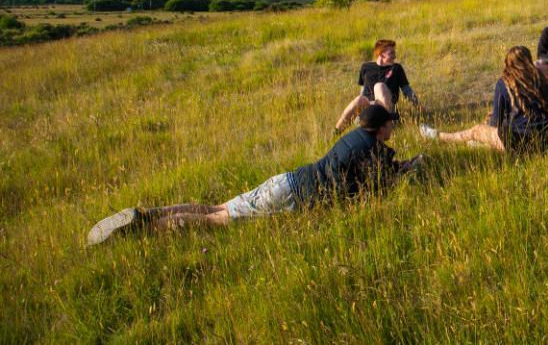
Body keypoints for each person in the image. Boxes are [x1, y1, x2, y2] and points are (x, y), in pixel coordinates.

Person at [87, 105, 421, 245]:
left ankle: (148, 214)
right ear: (381, 128)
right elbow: (384, 179)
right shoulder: (373, 148)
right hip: (290, 196)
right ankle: (140, 231)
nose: (393, 126)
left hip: (284, 181)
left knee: (216, 207)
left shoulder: (354, 138)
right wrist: (408, 169)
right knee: (217, 219)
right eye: (390, 123)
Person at [420, 46, 548, 153]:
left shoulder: (505, 82)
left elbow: (496, 121)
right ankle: (482, 144)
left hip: (520, 141)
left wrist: (485, 127)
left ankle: (440, 136)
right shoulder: (540, 78)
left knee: (475, 131)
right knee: (490, 129)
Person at [334, 39, 421, 134]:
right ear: (381, 54)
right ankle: (336, 132)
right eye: (391, 53)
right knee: (359, 99)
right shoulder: (366, 67)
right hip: (368, 110)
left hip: (385, 109)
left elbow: (407, 91)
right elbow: (362, 92)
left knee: (379, 86)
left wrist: (419, 106)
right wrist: (360, 108)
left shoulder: (396, 68)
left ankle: (387, 125)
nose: (395, 56)